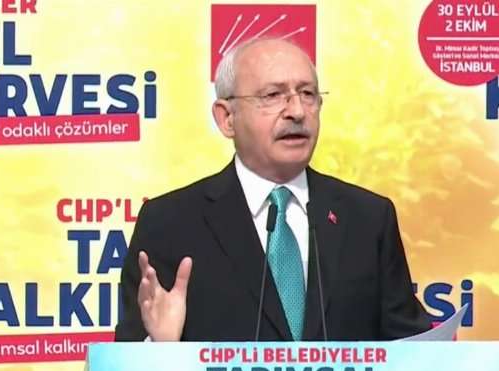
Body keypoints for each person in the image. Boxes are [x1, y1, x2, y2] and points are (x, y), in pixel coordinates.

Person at [114, 38, 431, 342]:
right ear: (227, 119)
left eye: (307, 93)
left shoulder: (368, 218)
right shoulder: (170, 223)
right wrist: (161, 347)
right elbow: (126, 362)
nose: (297, 111)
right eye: (273, 95)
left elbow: (412, 348)